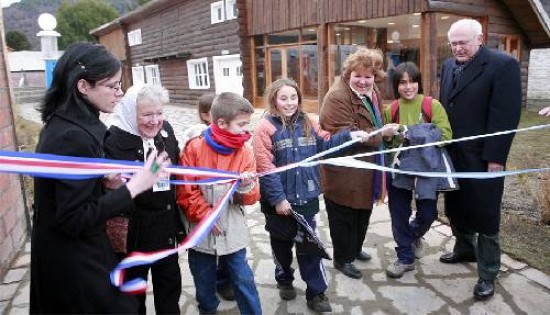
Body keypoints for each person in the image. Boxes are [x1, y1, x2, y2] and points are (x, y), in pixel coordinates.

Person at [30, 43, 170, 314]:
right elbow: (73, 219)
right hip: (74, 261)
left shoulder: (69, 124)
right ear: (83, 86)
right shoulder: (73, 137)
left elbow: (73, 196)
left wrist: (106, 186)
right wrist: (133, 188)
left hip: (67, 254)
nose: (119, 94)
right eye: (112, 86)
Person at [253, 78, 369, 312]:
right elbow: (265, 167)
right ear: (274, 99)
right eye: (283, 98)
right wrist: (278, 199)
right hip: (279, 205)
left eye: (293, 97)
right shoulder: (265, 129)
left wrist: (349, 137)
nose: (289, 103)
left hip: (306, 200)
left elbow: (326, 145)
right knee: (281, 247)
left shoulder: (309, 122)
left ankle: (316, 293)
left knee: (309, 248)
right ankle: (284, 278)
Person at [438, 19, 521, 300]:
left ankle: (488, 272)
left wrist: (496, 158)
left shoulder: (502, 65)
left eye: (464, 42)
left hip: (485, 158)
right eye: (454, 43)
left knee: (486, 216)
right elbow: (444, 108)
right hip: (454, 153)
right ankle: (464, 248)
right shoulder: (448, 66)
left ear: (480, 38)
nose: (458, 48)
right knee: (456, 204)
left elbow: (505, 116)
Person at [176, 92, 262, 314]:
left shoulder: (246, 152)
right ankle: (207, 309)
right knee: (203, 280)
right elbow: (186, 190)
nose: (246, 131)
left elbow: (252, 197)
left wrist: (244, 186)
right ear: (221, 123)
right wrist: (205, 216)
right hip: (201, 232)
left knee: (243, 278)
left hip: (232, 230)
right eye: (241, 124)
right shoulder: (194, 148)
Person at [104, 84, 184, 314]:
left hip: (166, 230)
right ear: (131, 113)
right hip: (133, 236)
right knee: (132, 298)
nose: (155, 120)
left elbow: (177, 167)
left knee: (169, 292)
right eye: (147, 114)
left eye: (159, 113)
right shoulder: (113, 141)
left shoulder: (166, 131)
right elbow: (106, 189)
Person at [319, 47, 397, 280]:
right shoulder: (337, 97)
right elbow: (348, 134)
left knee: (363, 211)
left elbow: (378, 120)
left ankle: (354, 248)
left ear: (375, 77)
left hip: (367, 167)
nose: (363, 81)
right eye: (358, 76)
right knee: (344, 215)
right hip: (344, 171)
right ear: (348, 74)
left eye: (368, 76)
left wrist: (386, 131)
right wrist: (383, 133)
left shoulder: (372, 92)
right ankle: (343, 258)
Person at [382, 62, 453, 278]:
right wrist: (388, 137)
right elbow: (388, 145)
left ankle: (412, 235)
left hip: (427, 169)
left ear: (419, 83)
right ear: (396, 85)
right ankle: (405, 258)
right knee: (399, 215)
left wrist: (409, 132)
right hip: (399, 169)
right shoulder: (391, 110)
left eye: (412, 81)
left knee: (428, 214)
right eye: (402, 82)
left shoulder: (433, 105)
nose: (408, 86)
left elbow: (446, 136)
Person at [180, 92, 236, 302]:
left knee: (226, 250)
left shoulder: (230, 139)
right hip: (202, 211)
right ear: (205, 115)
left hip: (225, 208)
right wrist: (204, 213)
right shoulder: (194, 142)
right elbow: (188, 186)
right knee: (203, 257)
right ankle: (207, 297)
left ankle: (223, 282)